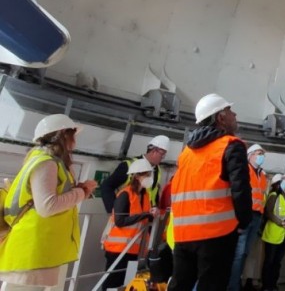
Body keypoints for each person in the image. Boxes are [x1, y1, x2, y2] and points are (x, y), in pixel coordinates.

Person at [0, 114, 97, 290]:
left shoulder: (51, 162)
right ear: (63, 134)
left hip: (40, 248)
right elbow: (47, 206)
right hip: (33, 249)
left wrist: (80, 190)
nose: (74, 141)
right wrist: (82, 192)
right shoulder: (46, 162)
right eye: (72, 134)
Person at [168, 93, 252, 291]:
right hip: (217, 233)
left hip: (183, 234)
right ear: (221, 117)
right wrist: (244, 221)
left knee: (180, 286)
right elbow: (240, 188)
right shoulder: (231, 145)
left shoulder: (186, 152)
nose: (235, 114)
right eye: (230, 111)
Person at [102, 159, 155, 289]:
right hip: (119, 249)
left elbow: (145, 221)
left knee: (127, 285)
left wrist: (152, 215)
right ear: (136, 176)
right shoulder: (125, 194)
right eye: (146, 174)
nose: (149, 178)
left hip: (135, 250)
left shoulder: (145, 196)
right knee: (112, 283)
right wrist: (144, 215)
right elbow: (119, 221)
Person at [229, 144, 268, 291]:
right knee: (238, 254)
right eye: (259, 153)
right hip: (244, 215)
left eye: (263, 154)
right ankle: (232, 286)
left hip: (257, 216)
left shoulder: (263, 175)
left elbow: (261, 196)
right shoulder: (243, 170)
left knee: (245, 253)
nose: (261, 156)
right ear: (250, 155)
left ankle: (236, 283)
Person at [101, 135, 169, 212]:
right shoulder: (129, 165)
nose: (163, 158)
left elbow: (153, 192)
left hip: (144, 216)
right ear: (154, 151)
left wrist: (154, 207)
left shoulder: (157, 170)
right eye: (162, 154)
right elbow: (106, 186)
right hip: (126, 216)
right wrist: (114, 210)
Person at [260, 172, 285, 291]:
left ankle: (273, 284)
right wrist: (280, 222)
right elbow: (268, 212)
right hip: (273, 234)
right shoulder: (274, 195)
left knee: (277, 262)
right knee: (269, 261)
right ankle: (266, 285)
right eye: (284, 180)